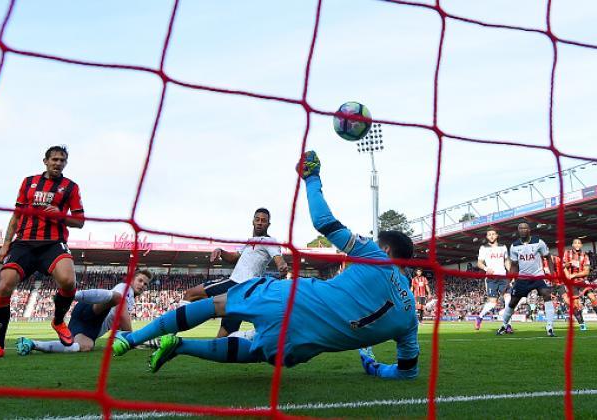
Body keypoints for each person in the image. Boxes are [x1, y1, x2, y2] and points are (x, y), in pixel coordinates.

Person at [112, 151, 420, 379]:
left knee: (216, 305)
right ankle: (180, 347)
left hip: (290, 299)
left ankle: (133, 338)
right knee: (256, 348)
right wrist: (376, 367)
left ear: (387, 249)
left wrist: (312, 176)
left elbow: (324, 222)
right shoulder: (410, 321)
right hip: (300, 345)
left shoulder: (376, 258)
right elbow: (408, 372)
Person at [0, 145, 85, 360]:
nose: (58, 163)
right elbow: (16, 216)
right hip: (25, 243)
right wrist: (5, 244)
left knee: (68, 281)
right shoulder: (28, 182)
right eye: (54, 159)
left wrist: (60, 215)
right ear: (45, 161)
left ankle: (58, 321)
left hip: (53, 243)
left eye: (62, 160)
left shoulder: (70, 187)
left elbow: (80, 221)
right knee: (4, 286)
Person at [180, 208, 288, 337]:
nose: (260, 222)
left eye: (263, 221)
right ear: (253, 221)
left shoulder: (270, 241)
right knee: (222, 336)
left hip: (238, 284)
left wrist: (282, 266)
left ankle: (168, 334)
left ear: (268, 224)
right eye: (257, 219)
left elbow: (279, 260)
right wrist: (220, 250)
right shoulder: (249, 242)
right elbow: (233, 259)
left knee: (191, 293)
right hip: (241, 292)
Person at [16, 269, 152, 354]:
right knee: (117, 298)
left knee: (84, 346)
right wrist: (133, 340)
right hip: (92, 311)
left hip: (87, 327)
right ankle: (71, 295)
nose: (142, 285)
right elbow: (121, 312)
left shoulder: (132, 299)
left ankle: (31, 343)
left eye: (145, 284)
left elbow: (119, 321)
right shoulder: (125, 288)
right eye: (140, 280)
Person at [496, 222, 556, 337]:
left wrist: (552, 274)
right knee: (513, 302)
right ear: (518, 231)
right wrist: (508, 282)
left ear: (529, 230)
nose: (522, 230)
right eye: (520, 228)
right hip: (522, 278)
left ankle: (550, 327)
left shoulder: (539, 242)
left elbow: (547, 257)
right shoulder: (514, 246)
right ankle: (504, 325)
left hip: (538, 276)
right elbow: (514, 266)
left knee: (546, 294)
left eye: (524, 228)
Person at [561, 238, 597, 331]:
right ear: (573, 245)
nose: (577, 244)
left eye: (579, 243)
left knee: (593, 297)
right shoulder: (567, 253)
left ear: (581, 245)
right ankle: (582, 323)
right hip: (572, 283)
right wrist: (569, 267)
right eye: (575, 243)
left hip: (582, 281)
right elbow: (563, 266)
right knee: (575, 305)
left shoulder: (584, 256)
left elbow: (586, 272)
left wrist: (574, 274)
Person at [474, 228, 511, 331]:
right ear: (487, 237)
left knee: (508, 299)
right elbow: (479, 263)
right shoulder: (483, 248)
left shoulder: (503, 247)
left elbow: (507, 261)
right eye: (489, 234)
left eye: (493, 234)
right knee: (492, 303)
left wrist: (511, 273)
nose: (491, 236)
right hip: (491, 278)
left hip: (503, 277)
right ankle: (480, 317)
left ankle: (507, 325)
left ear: (497, 235)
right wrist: (486, 268)